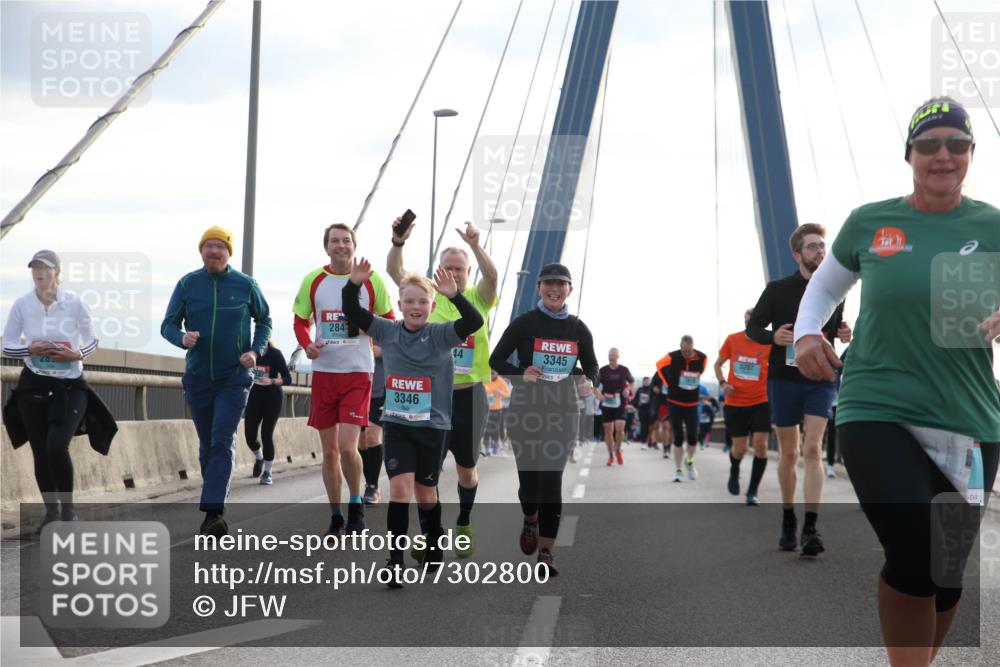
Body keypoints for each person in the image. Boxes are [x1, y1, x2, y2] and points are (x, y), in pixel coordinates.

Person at [795, 97, 999, 664]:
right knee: (914, 550)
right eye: (929, 144)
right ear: (909, 154)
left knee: (946, 570)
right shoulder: (870, 221)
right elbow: (825, 287)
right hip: (877, 406)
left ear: (971, 153)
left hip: (971, 417)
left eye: (957, 144)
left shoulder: (993, 226)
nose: (943, 155)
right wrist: (808, 333)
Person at [342, 258, 483, 588]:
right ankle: (394, 561)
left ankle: (434, 538)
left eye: (422, 302)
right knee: (400, 489)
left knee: (426, 495)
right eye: (409, 301)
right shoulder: (387, 330)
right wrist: (354, 283)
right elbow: (352, 311)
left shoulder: (441, 335)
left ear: (432, 307)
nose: (416, 307)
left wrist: (454, 295)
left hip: (433, 427)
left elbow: (474, 321)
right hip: (398, 424)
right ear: (400, 304)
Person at [388, 219, 498, 558]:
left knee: (466, 470)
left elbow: (492, 276)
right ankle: (429, 535)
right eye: (447, 268)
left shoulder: (478, 298)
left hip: (469, 395)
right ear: (438, 270)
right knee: (427, 476)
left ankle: (464, 522)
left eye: (459, 269)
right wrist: (398, 242)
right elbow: (396, 272)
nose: (453, 273)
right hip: (433, 398)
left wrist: (476, 246)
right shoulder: (428, 299)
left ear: (468, 272)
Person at [747, 223, 851, 556]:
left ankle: (811, 527)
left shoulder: (836, 290)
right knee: (789, 452)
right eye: (812, 247)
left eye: (823, 246)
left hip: (820, 377)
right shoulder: (777, 289)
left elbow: (831, 331)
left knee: (812, 448)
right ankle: (788, 516)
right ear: (797, 254)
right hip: (783, 378)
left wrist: (843, 332)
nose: (820, 251)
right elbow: (753, 328)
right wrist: (772, 337)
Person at [489, 263, 599, 576]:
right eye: (549, 283)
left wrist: (587, 381)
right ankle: (530, 520)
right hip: (525, 411)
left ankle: (546, 553)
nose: (555, 288)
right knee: (529, 486)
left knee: (551, 482)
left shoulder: (579, 329)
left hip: (563, 412)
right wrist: (520, 374)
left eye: (561, 284)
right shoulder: (524, 323)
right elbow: (496, 359)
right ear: (539, 287)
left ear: (570, 290)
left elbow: (592, 366)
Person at [162, 227, 272, 536]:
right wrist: (182, 338)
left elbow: (265, 320)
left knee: (222, 440)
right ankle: (214, 505)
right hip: (198, 377)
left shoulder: (246, 285)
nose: (214, 251)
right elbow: (167, 325)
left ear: (228, 253)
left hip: (234, 378)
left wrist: (255, 351)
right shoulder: (187, 284)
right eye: (208, 246)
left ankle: (213, 513)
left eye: (220, 246)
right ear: (201, 251)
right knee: (208, 444)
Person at [293, 223, 395, 537]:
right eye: (335, 241)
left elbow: (389, 321)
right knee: (329, 453)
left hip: (357, 372)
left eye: (346, 240)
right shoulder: (314, 279)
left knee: (348, 448)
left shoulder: (372, 279)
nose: (341, 245)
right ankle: (336, 515)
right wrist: (307, 344)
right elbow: (300, 321)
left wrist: (368, 333)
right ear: (327, 247)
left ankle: (356, 506)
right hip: (325, 373)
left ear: (354, 245)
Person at [2, 250, 116, 527]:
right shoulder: (22, 305)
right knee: (40, 451)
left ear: (57, 272)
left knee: (56, 446)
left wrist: (76, 354)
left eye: (45, 268)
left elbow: (92, 339)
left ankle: (68, 512)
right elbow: (7, 345)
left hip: (69, 386)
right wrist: (30, 349)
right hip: (34, 385)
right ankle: (51, 512)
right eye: (35, 268)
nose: (39, 273)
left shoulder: (74, 302)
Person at [715, 308, 772, 505]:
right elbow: (717, 364)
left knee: (761, 446)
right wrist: (723, 383)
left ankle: (752, 491)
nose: (750, 326)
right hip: (735, 403)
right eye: (748, 322)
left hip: (761, 402)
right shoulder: (733, 340)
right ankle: (734, 470)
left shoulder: (770, 343)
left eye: (754, 322)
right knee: (740, 449)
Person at [657, 336, 709, 482]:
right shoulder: (672, 357)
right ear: (680, 346)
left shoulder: (702, 358)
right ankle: (678, 470)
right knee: (678, 437)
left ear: (693, 347)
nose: (686, 353)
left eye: (689, 351)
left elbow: (700, 372)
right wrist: (669, 382)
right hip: (675, 402)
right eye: (684, 350)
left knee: (693, 437)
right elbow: (659, 365)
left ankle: (689, 461)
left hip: (692, 404)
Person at [245, 338, 292, 486]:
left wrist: (272, 381)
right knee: (250, 435)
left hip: (272, 398)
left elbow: (287, 378)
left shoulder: (275, 354)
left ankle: (267, 472)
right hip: (254, 398)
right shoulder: (250, 353)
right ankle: (259, 458)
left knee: (266, 434)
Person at [598, 348, 634, 466]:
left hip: (620, 400)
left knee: (620, 427)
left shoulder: (624, 370)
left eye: (613, 354)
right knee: (608, 430)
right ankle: (610, 455)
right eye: (610, 354)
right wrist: (597, 394)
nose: (611, 356)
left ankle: (618, 450)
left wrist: (628, 389)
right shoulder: (602, 370)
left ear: (618, 356)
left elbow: (632, 382)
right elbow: (594, 385)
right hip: (607, 400)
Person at [360, 347, 386, 505]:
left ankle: (372, 486)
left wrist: (370, 347)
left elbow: (392, 346)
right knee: (361, 441)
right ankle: (368, 482)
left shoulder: (385, 328)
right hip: (357, 387)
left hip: (379, 388)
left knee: (371, 436)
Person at [483, 370, 511, 456]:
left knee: (495, 428)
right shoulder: (485, 379)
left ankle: (495, 445)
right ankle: (486, 447)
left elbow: (508, 394)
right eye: (490, 373)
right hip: (486, 408)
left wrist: (501, 393)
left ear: (497, 373)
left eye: (493, 373)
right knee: (486, 428)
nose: (491, 375)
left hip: (497, 408)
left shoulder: (501, 381)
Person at [633, 377, 654, 447]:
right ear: (643, 382)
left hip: (650, 410)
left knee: (649, 426)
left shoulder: (652, 390)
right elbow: (635, 400)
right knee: (643, 426)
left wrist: (650, 402)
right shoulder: (639, 390)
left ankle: (649, 440)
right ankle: (643, 442)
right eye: (645, 381)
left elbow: (655, 399)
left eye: (648, 381)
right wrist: (637, 403)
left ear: (649, 382)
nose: (646, 382)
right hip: (642, 410)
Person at [697, 385, 718, 450]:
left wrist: (710, 410)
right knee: (701, 430)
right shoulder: (699, 403)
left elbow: (716, 408)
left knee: (708, 430)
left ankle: (706, 442)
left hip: (710, 418)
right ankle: (701, 442)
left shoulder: (712, 401)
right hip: (700, 417)